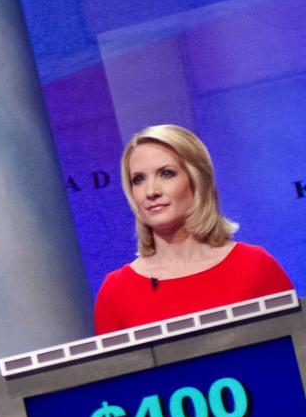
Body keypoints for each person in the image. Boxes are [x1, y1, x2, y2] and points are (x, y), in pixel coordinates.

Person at [94, 124, 293, 334]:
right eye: (139, 179)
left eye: (166, 173)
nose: (151, 191)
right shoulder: (116, 292)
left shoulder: (255, 266)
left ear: (197, 181)